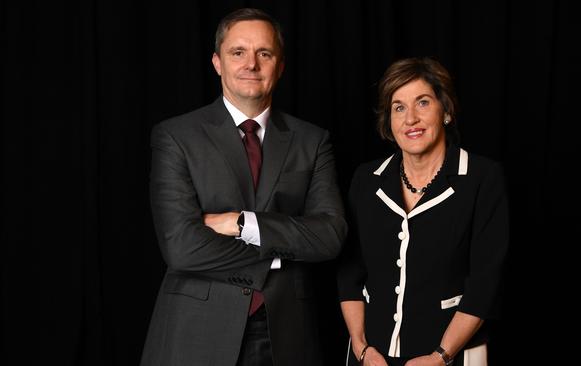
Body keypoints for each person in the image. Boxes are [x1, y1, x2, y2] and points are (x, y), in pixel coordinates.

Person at [140, 8, 347, 366]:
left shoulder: (312, 141)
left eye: (264, 54)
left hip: (287, 333)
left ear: (279, 66)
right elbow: (182, 248)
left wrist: (242, 224)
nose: (251, 64)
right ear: (217, 62)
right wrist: (283, 253)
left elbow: (330, 236)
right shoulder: (176, 136)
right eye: (238, 52)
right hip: (196, 330)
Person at [337, 57, 509, 366]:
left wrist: (440, 357)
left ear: (446, 110)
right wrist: (362, 348)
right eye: (399, 107)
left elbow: (485, 284)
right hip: (372, 356)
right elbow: (350, 273)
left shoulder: (483, 178)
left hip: (450, 355)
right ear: (388, 119)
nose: (410, 119)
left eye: (423, 102)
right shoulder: (366, 179)